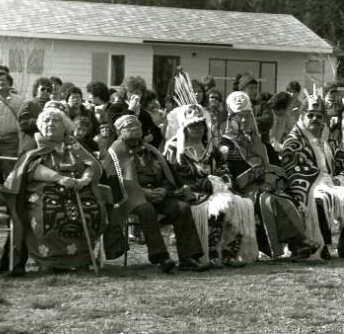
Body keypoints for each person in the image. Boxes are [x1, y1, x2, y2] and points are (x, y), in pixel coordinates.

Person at [0, 106, 107, 273]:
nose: (50, 123)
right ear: (40, 125)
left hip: (76, 190)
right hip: (43, 192)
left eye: (55, 120)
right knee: (49, 214)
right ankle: (49, 261)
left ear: (65, 127)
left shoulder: (73, 145)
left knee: (91, 211)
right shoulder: (35, 143)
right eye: (46, 121)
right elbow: (31, 169)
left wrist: (84, 179)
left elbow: (93, 165)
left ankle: (81, 259)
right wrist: (60, 179)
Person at [102, 115, 208, 273]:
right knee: (146, 210)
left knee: (182, 208)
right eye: (129, 127)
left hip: (159, 194)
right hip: (130, 199)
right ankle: (161, 258)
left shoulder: (150, 150)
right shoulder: (115, 152)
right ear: (119, 132)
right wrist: (145, 193)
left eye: (137, 126)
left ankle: (188, 258)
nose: (135, 129)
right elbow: (115, 183)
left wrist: (165, 189)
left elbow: (168, 174)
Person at [219, 91, 313, 260]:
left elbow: (276, 166)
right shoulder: (225, 144)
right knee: (268, 201)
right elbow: (231, 175)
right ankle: (291, 245)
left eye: (247, 116)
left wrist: (273, 181)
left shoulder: (260, 141)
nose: (243, 120)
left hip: (267, 187)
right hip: (242, 192)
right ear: (231, 118)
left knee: (286, 196)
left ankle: (299, 243)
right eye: (238, 116)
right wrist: (261, 179)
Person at [164, 103, 257, 267]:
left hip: (215, 191)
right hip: (188, 193)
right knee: (219, 206)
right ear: (185, 127)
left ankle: (229, 254)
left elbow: (223, 168)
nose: (197, 128)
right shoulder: (174, 148)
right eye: (193, 125)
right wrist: (205, 183)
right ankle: (212, 254)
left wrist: (222, 180)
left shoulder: (210, 147)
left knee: (241, 205)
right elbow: (173, 177)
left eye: (200, 124)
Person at [281, 94, 344, 260]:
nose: (315, 119)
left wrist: (339, 179)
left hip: (330, 182)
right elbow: (294, 170)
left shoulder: (328, 137)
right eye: (310, 115)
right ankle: (322, 245)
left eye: (319, 116)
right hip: (306, 187)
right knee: (320, 198)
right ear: (302, 116)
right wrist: (324, 181)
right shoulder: (294, 140)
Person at [105, 76, 162, 148]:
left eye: (138, 93)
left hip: (137, 153)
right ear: (125, 92)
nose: (135, 95)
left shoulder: (144, 113)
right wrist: (130, 110)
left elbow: (157, 132)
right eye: (131, 92)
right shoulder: (115, 108)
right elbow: (117, 128)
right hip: (118, 151)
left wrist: (152, 136)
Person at [233, 73, 274, 144]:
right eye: (251, 88)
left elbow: (268, 121)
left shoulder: (263, 106)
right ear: (242, 90)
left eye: (256, 88)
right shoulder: (234, 107)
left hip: (261, 148)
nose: (255, 91)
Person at [18, 77, 53, 153]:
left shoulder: (53, 106)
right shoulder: (28, 104)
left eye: (48, 90)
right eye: (43, 89)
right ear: (36, 90)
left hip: (48, 147)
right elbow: (23, 124)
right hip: (31, 145)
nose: (45, 91)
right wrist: (41, 122)